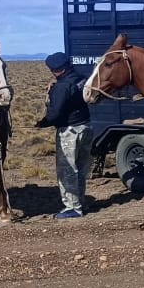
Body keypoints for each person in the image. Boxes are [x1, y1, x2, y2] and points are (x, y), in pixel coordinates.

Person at [35, 51, 92, 219]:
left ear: (55, 70)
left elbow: (55, 113)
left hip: (69, 131)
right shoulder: (81, 78)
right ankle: (80, 202)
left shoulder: (61, 87)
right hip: (86, 126)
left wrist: (42, 123)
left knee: (67, 170)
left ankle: (72, 207)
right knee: (81, 169)